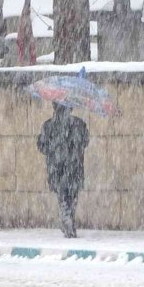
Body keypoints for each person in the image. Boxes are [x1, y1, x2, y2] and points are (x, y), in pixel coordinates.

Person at [37, 102, 89, 238]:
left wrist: (54, 148)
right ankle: (69, 217)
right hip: (75, 165)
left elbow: (42, 146)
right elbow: (85, 142)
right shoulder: (79, 124)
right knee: (73, 194)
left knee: (62, 194)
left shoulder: (48, 125)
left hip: (56, 166)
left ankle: (67, 216)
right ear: (71, 107)